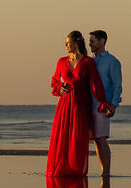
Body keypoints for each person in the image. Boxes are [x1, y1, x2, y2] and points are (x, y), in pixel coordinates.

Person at [47, 30, 112, 177]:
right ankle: (61, 171)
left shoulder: (88, 62)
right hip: (64, 105)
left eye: (68, 43)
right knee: (62, 138)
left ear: (76, 43)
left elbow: (96, 85)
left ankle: (76, 172)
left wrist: (104, 102)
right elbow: (55, 81)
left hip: (81, 104)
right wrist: (60, 87)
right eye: (65, 43)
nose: (65, 46)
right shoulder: (61, 61)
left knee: (77, 139)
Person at [88, 30, 123, 177]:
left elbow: (117, 85)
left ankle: (106, 173)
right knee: (94, 140)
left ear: (102, 42)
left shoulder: (112, 61)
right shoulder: (89, 61)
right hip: (87, 104)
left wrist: (113, 104)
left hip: (102, 105)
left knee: (101, 138)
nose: (90, 44)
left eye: (92, 41)